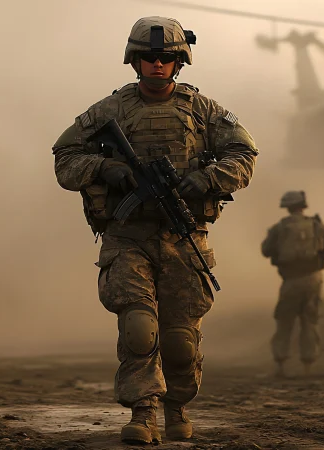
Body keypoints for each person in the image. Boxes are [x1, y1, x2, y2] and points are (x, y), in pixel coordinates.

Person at [51, 17, 258, 445]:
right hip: (128, 236)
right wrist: (103, 167)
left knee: (181, 340)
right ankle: (143, 413)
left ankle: (177, 407)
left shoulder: (204, 110)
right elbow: (65, 157)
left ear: (179, 62)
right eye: (149, 57)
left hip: (184, 236)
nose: (157, 64)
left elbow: (244, 154)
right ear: (135, 61)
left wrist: (209, 178)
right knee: (139, 327)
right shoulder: (110, 110)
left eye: (165, 57)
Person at [260, 191, 324, 377]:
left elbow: (266, 250)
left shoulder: (279, 228)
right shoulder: (317, 225)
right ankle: (308, 366)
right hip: (314, 278)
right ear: (303, 205)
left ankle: (280, 365)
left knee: (284, 321)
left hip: (291, 279)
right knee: (310, 320)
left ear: (287, 207)